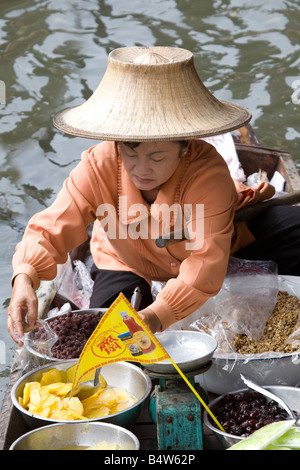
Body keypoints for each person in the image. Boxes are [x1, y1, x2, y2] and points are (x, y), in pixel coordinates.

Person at [6, 46, 281, 346]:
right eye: (130, 152)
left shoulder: (207, 174)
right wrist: (24, 279)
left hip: (223, 245)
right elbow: (48, 229)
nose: (141, 169)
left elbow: (205, 264)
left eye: (157, 156)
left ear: (185, 146)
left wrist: (154, 316)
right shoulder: (98, 165)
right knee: (105, 333)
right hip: (125, 259)